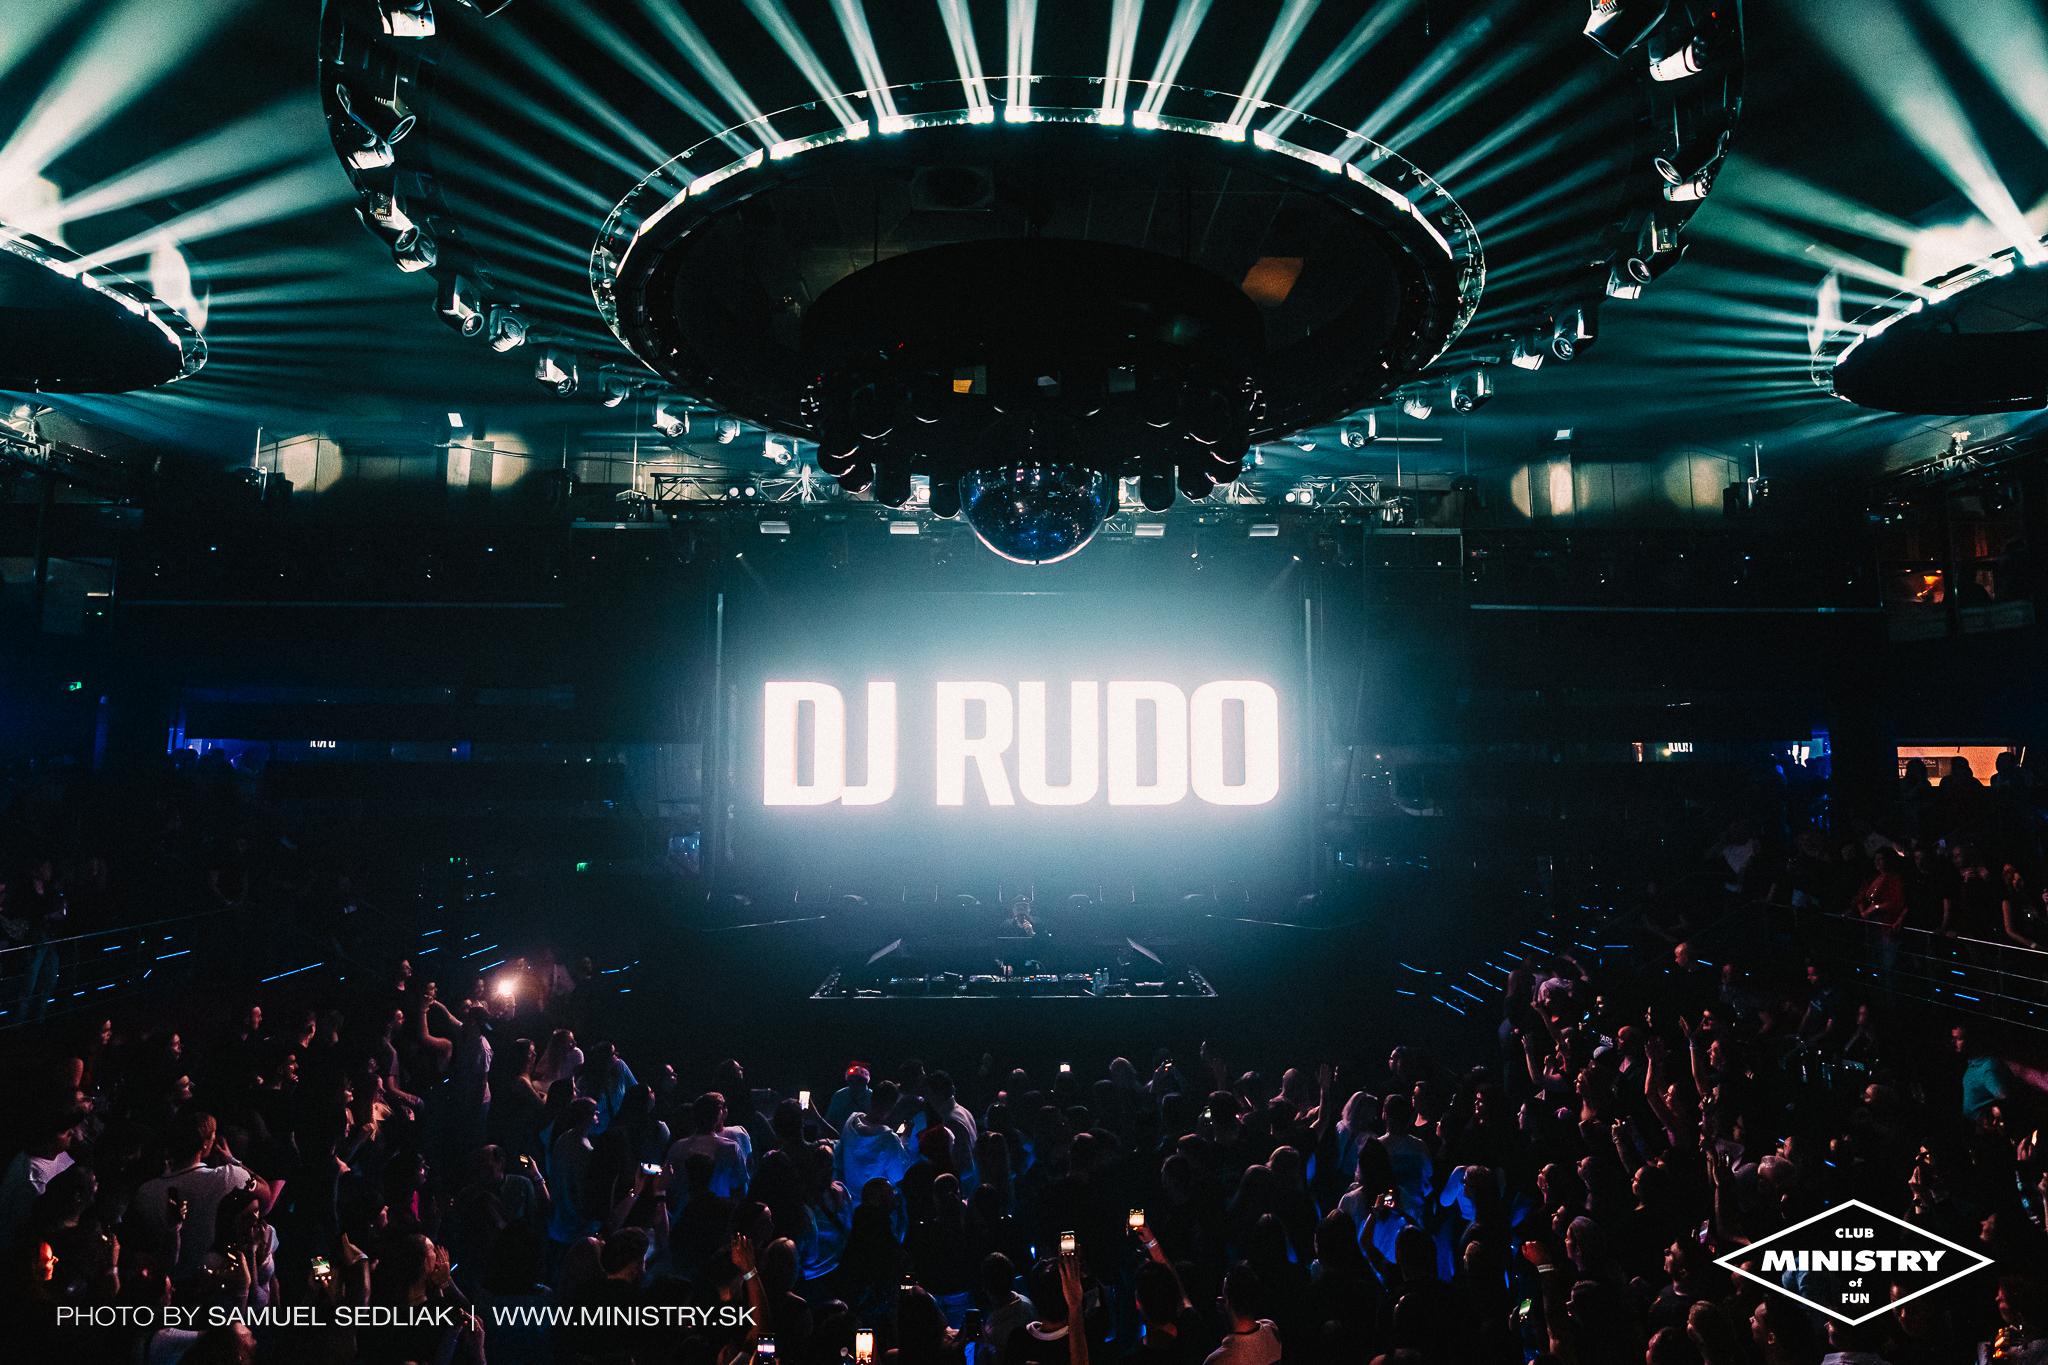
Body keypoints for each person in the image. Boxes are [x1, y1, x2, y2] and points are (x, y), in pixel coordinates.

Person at [131, 1111, 269, 1279]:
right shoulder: (227, 1177)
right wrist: (231, 1159)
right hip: (211, 1280)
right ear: (205, 1144)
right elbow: (266, 1194)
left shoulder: (146, 1191)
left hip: (162, 1281)